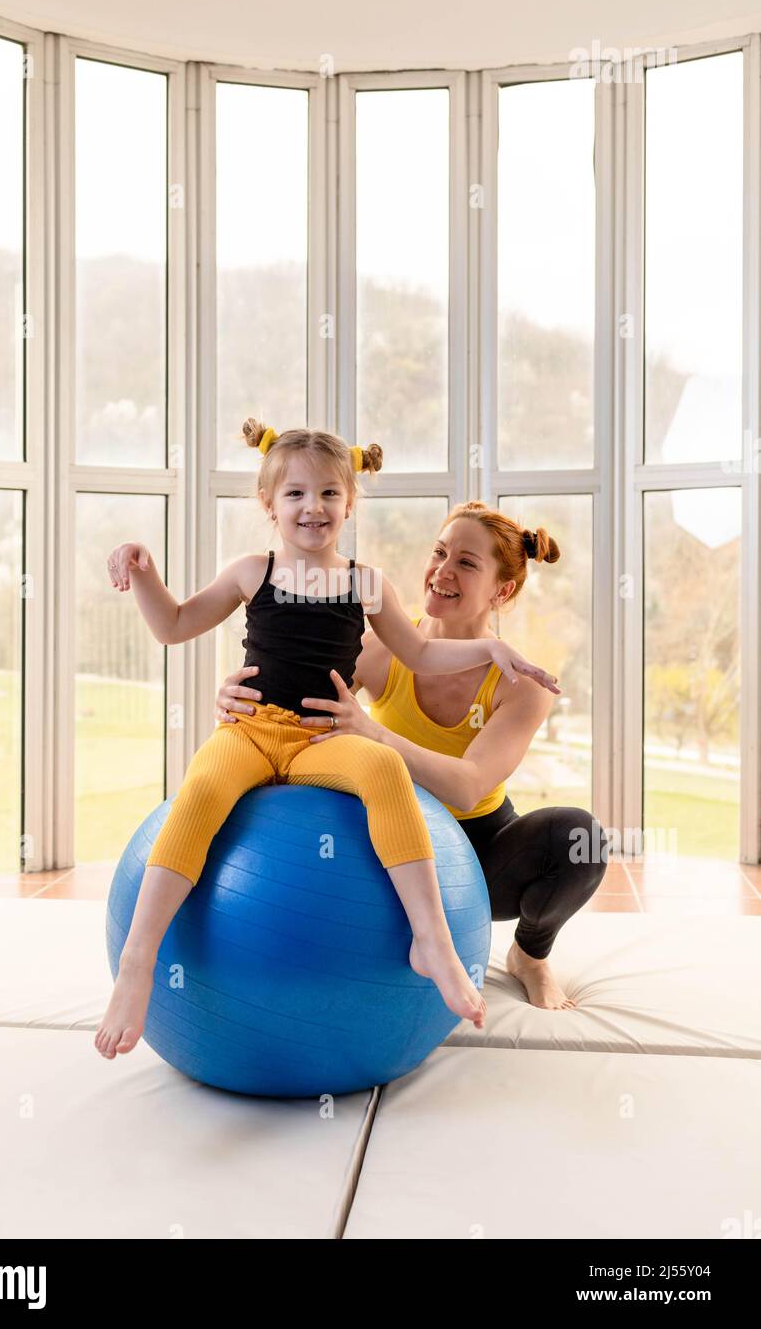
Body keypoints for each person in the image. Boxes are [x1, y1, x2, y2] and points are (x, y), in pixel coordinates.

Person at [95, 426, 560, 1059]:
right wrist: (143, 570)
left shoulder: (367, 585)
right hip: (251, 731)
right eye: (295, 493)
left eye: (328, 492)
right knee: (200, 789)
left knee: (386, 773)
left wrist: (491, 646)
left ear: (349, 503)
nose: (312, 506)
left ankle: (433, 940)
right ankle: (138, 961)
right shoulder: (250, 572)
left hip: (323, 737)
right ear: (270, 504)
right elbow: (174, 625)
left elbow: (421, 652)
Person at [216, 499, 608, 1012]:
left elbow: (469, 784)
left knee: (581, 840)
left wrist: (374, 734)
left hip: (477, 848)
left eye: (467, 563)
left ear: (503, 589)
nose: (442, 572)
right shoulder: (379, 649)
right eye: (440, 552)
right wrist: (238, 698)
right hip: (387, 838)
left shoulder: (521, 684)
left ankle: (530, 957)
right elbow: (294, 713)